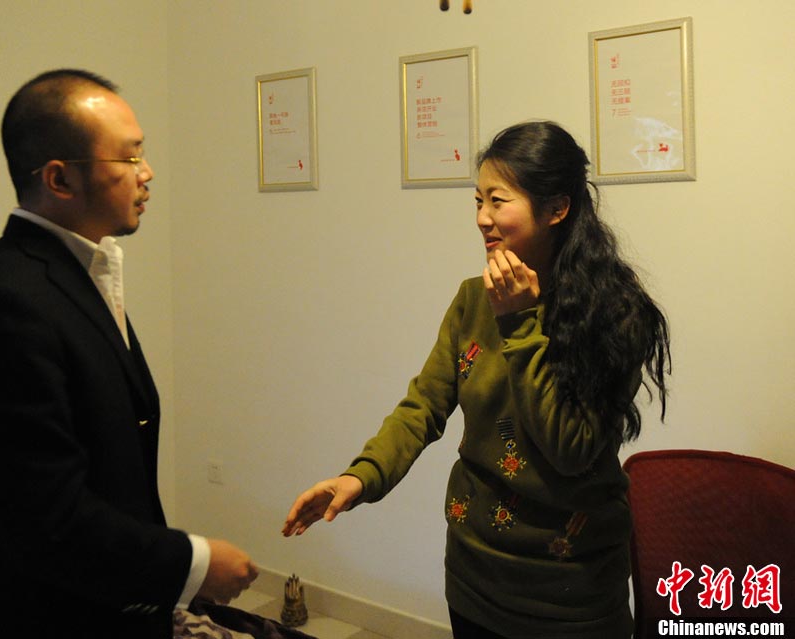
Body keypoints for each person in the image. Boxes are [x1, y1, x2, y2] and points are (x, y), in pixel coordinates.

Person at [283, 121, 670, 638]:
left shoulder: (618, 313)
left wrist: (519, 322)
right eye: (477, 201)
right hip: (473, 574)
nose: (483, 219)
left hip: (567, 593)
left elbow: (570, 448)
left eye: (498, 201)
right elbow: (423, 405)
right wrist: (360, 477)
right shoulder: (473, 298)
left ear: (556, 209)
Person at [0, 69, 257, 639]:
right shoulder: (1, 302)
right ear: (60, 179)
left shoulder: (76, 275)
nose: (147, 174)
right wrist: (194, 564)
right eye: (130, 159)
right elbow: (44, 517)